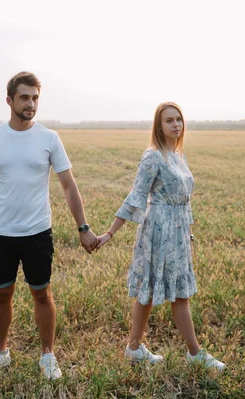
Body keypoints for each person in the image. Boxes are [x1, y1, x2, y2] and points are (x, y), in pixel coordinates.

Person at [0, 71, 98, 379]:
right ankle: (0, 352)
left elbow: (69, 186)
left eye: (35, 98)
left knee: (42, 294)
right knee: (1, 295)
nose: (31, 104)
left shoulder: (49, 138)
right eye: (25, 97)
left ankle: (47, 356)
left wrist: (83, 228)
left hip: (38, 233)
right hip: (1, 234)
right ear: (10, 100)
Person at [96, 102, 225, 371]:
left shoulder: (179, 156)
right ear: (159, 125)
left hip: (177, 231)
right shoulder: (152, 157)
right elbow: (136, 196)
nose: (176, 124)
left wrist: (188, 235)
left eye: (179, 119)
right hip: (157, 229)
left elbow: (186, 201)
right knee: (161, 293)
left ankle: (133, 347)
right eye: (169, 120)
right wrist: (110, 233)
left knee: (164, 291)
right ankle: (194, 353)